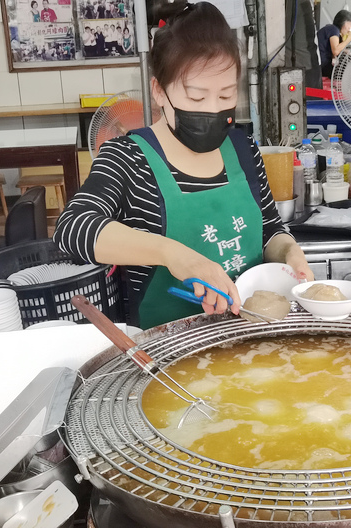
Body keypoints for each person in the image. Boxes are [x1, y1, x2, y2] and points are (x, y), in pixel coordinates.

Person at [54, 1, 313, 329]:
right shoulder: (128, 157)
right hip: (168, 356)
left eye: (225, 97)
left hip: (250, 342)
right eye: (196, 97)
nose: (211, 109)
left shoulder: (244, 149)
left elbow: (269, 229)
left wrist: (290, 252)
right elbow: (73, 229)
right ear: (159, 91)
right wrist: (174, 255)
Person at [317, 9, 351, 78]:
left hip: (321, 65)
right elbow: (335, 51)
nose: (349, 28)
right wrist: (349, 38)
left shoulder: (332, 29)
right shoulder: (333, 29)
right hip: (321, 66)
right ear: (343, 22)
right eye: (349, 24)